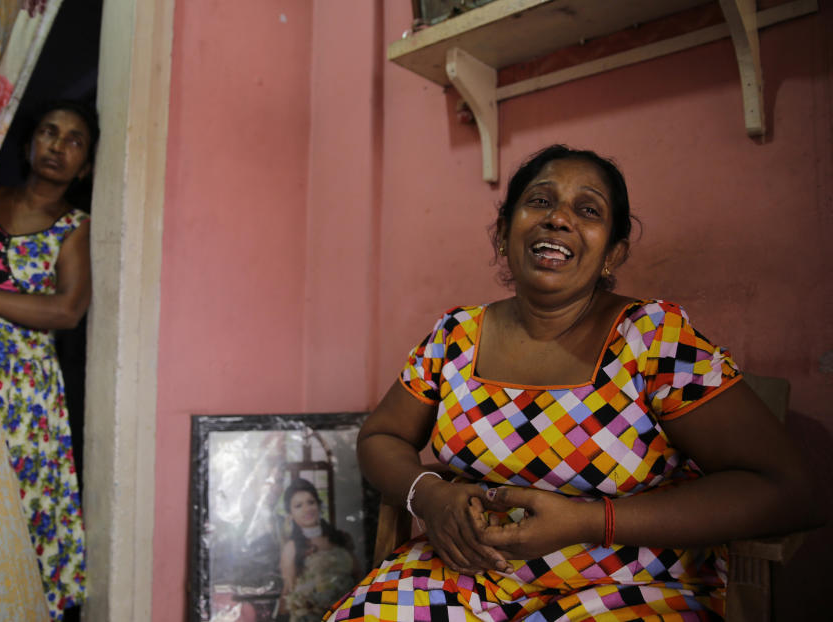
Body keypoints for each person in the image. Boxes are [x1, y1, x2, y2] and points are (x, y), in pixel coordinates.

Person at [326, 145, 823, 621]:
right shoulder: (455, 335)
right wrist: (428, 495)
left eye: (588, 210)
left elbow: (787, 490)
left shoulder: (654, 339)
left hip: (630, 585)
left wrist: (590, 523)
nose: (558, 218)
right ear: (503, 233)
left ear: (612, 252)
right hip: (463, 575)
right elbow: (381, 437)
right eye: (539, 201)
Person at [0, 100, 96, 620]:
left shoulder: (74, 227)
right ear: (28, 142)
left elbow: (65, 309)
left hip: (24, 395)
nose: (58, 145)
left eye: (74, 139)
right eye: (49, 132)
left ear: (85, 165)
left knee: (18, 507)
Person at [278, 478, 360, 622]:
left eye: (311, 502)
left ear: (318, 505)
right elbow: (289, 591)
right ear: (290, 514)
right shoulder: (292, 548)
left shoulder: (340, 537)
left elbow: (359, 576)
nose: (307, 509)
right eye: (298, 505)